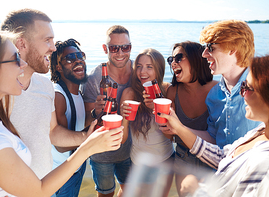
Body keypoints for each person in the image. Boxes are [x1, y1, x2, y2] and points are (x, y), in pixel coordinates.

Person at [0, 31, 123, 197]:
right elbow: (38, 191)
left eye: (80, 55)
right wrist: (88, 147)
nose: (23, 64)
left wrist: (94, 118)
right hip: (58, 176)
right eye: (15, 58)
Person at [1, 8, 94, 179]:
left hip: (46, 183)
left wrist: (87, 136)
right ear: (22, 44)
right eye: (47, 40)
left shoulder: (45, 86)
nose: (52, 48)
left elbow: (53, 132)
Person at [158, 55, 269, 196]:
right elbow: (224, 157)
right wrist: (178, 128)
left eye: (248, 88)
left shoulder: (264, 165)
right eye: (242, 86)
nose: (242, 94)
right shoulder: (260, 132)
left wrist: (195, 190)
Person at [160, 20, 260, 149]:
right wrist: (178, 128)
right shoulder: (214, 95)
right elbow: (213, 138)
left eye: (211, 48)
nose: (204, 54)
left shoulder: (261, 87)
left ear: (232, 49)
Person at [81, 25, 133, 197]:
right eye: (114, 48)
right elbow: (87, 122)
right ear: (105, 49)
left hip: (130, 149)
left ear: (130, 47)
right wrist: (96, 112)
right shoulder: (95, 78)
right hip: (101, 153)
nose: (120, 53)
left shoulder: (138, 71)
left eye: (125, 47)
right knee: (105, 194)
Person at [166, 41, 218, 196]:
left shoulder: (218, 89)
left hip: (212, 157)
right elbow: (169, 137)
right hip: (183, 156)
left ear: (197, 59)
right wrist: (166, 127)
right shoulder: (172, 92)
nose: (173, 63)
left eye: (179, 57)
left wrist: (179, 128)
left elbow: (220, 138)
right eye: (171, 60)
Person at [120, 48, 174, 197]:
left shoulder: (167, 90)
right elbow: (123, 139)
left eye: (149, 67)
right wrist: (124, 118)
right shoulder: (129, 93)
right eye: (139, 66)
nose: (142, 72)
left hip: (165, 161)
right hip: (139, 163)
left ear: (159, 69)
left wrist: (155, 109)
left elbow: (171, 136)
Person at [49, 38, 88, 196]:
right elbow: (61, 145)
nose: (78, 60)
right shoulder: (58, 95)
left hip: (76, 166)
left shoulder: (77, 92)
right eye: (70, 58)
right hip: (61, 175)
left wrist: (95, 115)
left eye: (80, 56)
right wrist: (94, 136)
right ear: (58, 67)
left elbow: (76, 126)